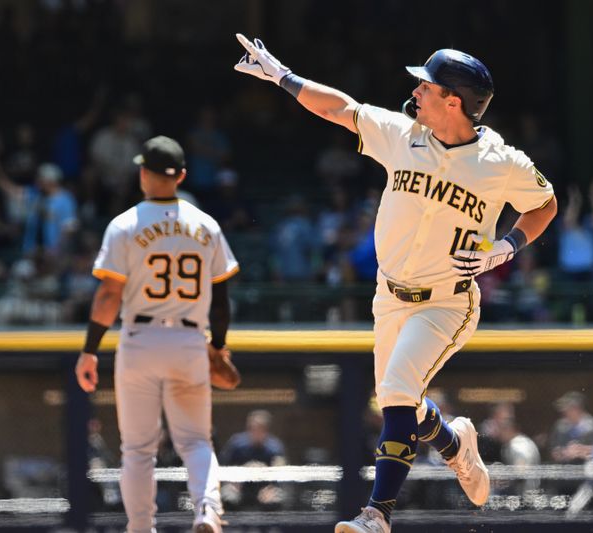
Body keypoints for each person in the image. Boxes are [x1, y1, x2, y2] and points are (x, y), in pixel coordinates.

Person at [234, 35, 558, 532]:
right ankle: (455, 446)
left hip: (446, 303)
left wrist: (506, 247)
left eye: (426, 85)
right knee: (395, 399)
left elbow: (545, 203)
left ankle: (376, 514)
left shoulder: (500, 161)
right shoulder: (403, 134)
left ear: (454, 101)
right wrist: (283, 76)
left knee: (399, 390)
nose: (417, 91)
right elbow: (342, 109)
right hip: (389, 296)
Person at [74, 136, 240, 533]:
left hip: (140, 340)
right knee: (197, 442)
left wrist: (90, 350)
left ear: (143, 173)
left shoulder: (124, 224)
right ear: (181, 175)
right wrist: (217, 347)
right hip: (189, 341)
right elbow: (220, 301)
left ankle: (140, 528)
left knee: (137, 450)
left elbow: (109, 295)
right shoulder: (206, 225)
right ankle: (206, 509)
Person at [219, 410, 287, 510]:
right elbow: (223, 467)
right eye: (252, 428)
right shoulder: (236, 444)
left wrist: (271, 488)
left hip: (264, 487)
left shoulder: (275, 447)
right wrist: (232, 483)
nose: (255, 432)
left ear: (266, 430)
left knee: (275, 499)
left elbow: (280, 474)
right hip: (239, 486)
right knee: (228, 496)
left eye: (259, 428)